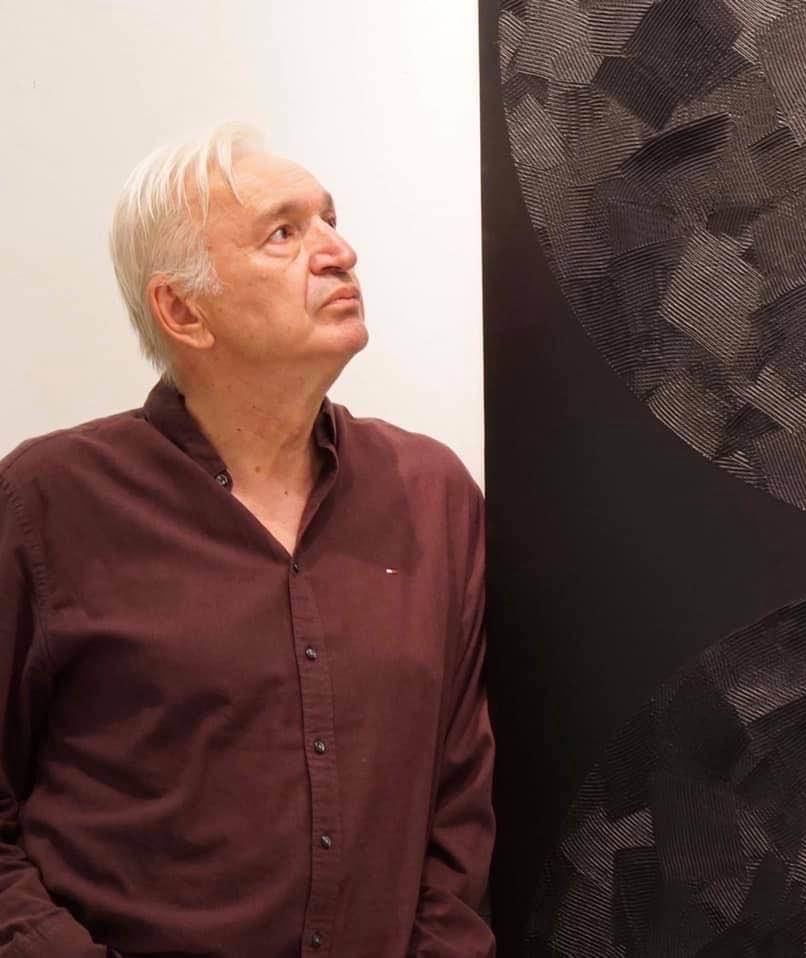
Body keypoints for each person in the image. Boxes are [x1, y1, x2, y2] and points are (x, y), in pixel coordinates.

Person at [0, 123, 495, 957]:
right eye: (283, 233)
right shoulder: (44, 504)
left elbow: (459, 805)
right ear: (181, 310)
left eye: (330, 219)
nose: (340, 252)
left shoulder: (432, 495)